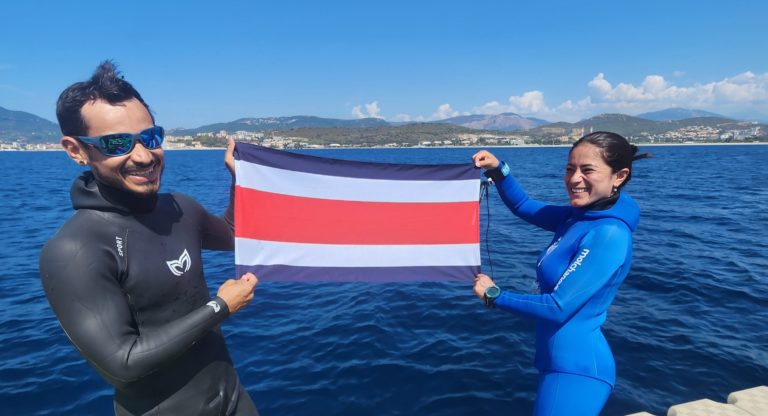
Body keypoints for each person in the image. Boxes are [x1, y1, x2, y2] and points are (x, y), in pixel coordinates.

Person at [39, 61, 260, 416]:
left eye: (151, 138)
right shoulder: (75, 249)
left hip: (232, 398)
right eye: (116, 143)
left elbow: (235, 234)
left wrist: (238, 178)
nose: (143, 156)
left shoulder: (180, 208)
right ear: (76, 150)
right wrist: (220, 307)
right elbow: (121, 363)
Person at [471, 131, 651, 416]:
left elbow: (557, 307)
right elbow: (524, 206)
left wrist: (495, 295)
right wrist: (498, 170)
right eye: (570, 169)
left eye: (587, 170)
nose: (574, 179)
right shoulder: (578, 217)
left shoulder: (608, 235)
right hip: (557, 363)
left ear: (619, 176)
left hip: (577, 372)